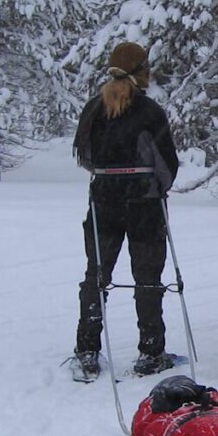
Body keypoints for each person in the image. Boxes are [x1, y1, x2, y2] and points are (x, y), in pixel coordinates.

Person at [69, 42, 180, 382]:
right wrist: (155, 185)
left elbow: (84, 157)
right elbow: (167, 164)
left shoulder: (93, 109)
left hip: (103, 200)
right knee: (147, 278)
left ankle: (87, 351)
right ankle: (150, 352)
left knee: (96, 275)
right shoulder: (149, 112)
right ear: (141, 72)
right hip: (143, 203)